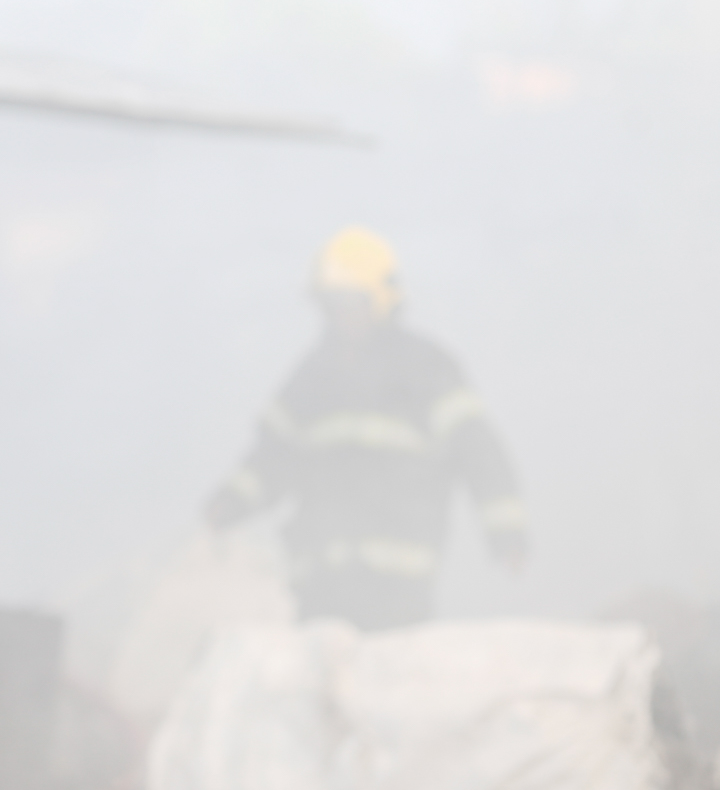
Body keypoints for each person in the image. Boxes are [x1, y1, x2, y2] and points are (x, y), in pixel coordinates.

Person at [206, 227, 525, 630]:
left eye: (348, 303)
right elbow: (271, 457)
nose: (339, 316)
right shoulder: (311, 379)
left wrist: (506, 530)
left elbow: (477, 450)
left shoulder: (424, 368)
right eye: (330, 305)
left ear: (381, 299)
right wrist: (229, 504)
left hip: (398, 583)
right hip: (318, 581)